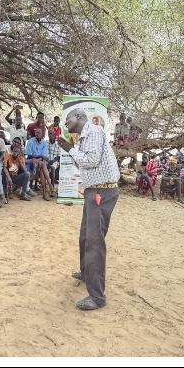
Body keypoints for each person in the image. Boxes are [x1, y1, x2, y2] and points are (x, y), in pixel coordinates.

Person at [55, 108, 121, 311]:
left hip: (102, 192)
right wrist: (72, 148)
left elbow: (90, 160)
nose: (66, 122)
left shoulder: (93, 131)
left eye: (68, 119)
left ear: (79, 117)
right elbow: (86, 163)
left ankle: (97, 296)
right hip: (94, 191)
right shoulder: (84, 137)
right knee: (85, 237)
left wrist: (70, 149)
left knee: (94, 242)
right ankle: (86, 272)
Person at [25, 125, 55, 200]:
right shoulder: (30, 141)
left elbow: (44, 156)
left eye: (39, 133)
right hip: (31, 162)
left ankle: (45, 194)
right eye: (36, 133)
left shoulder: (44, 143)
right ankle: (50, 185)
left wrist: (39, 159)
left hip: (40, 162)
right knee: (42, 164)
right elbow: (28, 154)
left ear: (42, 135)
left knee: (42, 170)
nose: (37, 134)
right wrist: (40, 156)